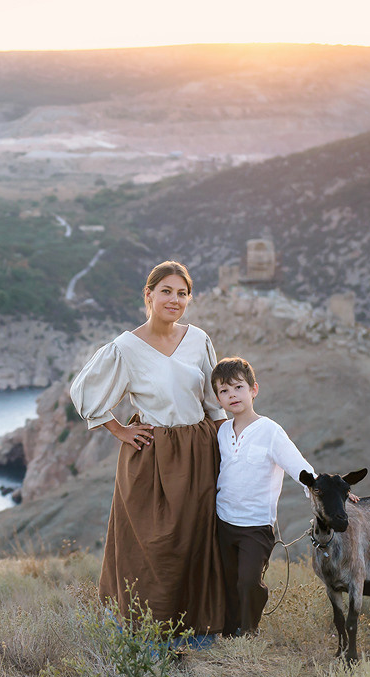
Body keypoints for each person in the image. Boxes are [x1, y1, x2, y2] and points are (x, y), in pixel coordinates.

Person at [70, 261, 228, 635]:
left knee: (196, 539)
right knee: (152, 546)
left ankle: (196, 631)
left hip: (199, 452)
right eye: (166, 291)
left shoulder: (198, 340)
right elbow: (84, 391)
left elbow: (214, 402)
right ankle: (144, 630)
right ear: (149, 294)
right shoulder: (126, 347)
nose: (175, 300)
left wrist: (231, 450)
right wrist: (119, 430)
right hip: (152, 457)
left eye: (182, 293)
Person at [211, 356, 326, 637]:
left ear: (254, 390)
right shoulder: (222, 431)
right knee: (228, 580)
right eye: (224, 391)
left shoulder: (270, 431)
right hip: (223, 521)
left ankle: (249, 631)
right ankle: (229, 632)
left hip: (256, 525)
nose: (232, 395)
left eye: (238, 387)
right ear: (218, 399)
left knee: (249, 581)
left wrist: (324, 491)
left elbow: (299, 467)